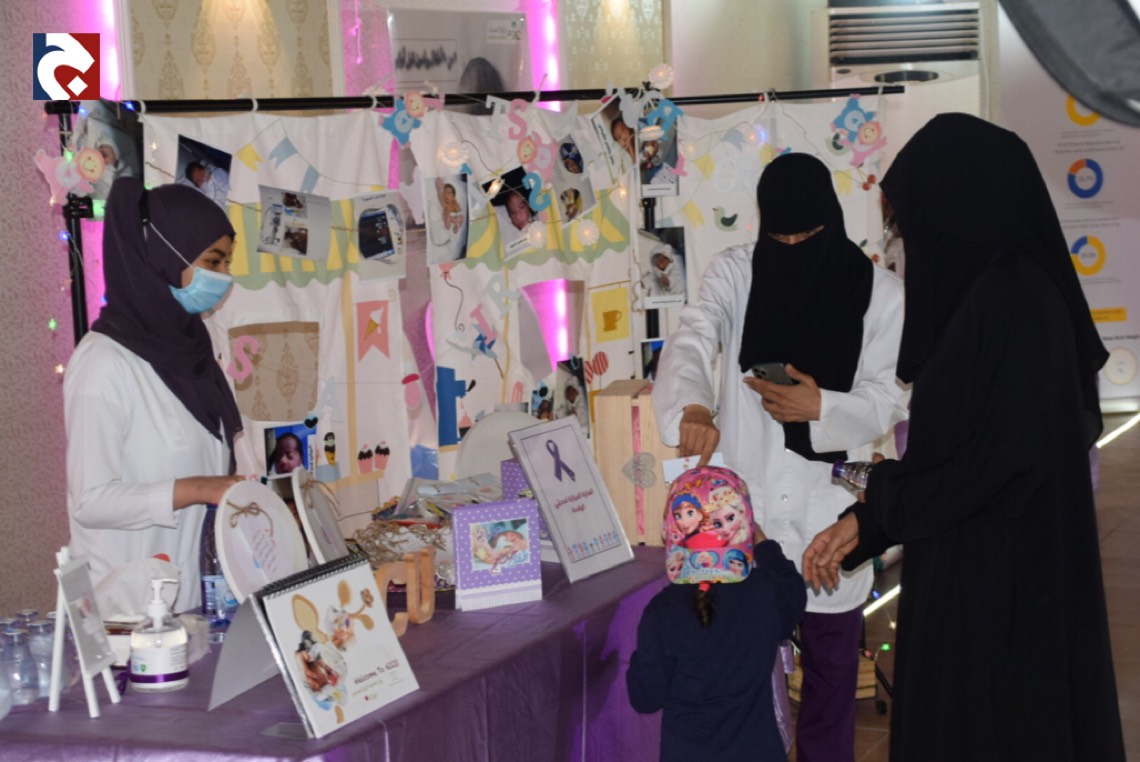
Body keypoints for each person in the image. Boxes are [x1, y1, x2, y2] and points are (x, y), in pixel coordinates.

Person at [802, 113, 1126, 761]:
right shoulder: (993, 294)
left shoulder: (1017, 300)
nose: (905, 243)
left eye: (909, 223)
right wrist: (873, 520)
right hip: (979, 577)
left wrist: (882, 501)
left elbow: (993, 467)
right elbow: (961, 455)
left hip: (1002, 602)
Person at [651, 152, 907, 762]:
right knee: (733, 681)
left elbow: (890, 397)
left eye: (806, 236)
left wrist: (823, 406)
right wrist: (693, 406)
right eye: (780, 237)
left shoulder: (881, 294)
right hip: (747, 514)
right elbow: (694, 334)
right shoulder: (736, 273)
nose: (792, 247)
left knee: (830, 681)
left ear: (832, 223)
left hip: (831, 515)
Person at [65, 177, 245, 614]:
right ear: (165, 256)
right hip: (125, 612)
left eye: (226, 262)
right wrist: (198, 488)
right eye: (213, 261)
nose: (223, 277)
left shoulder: (194, 352)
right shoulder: (103, 363)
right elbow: (90, 501)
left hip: (193, 606)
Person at [627, 466, 806, 761]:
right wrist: (764, 544)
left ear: (671, 532)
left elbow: (646, 698)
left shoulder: (662, 611)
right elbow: (794, 592)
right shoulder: (765, 592)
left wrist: (638, 658)